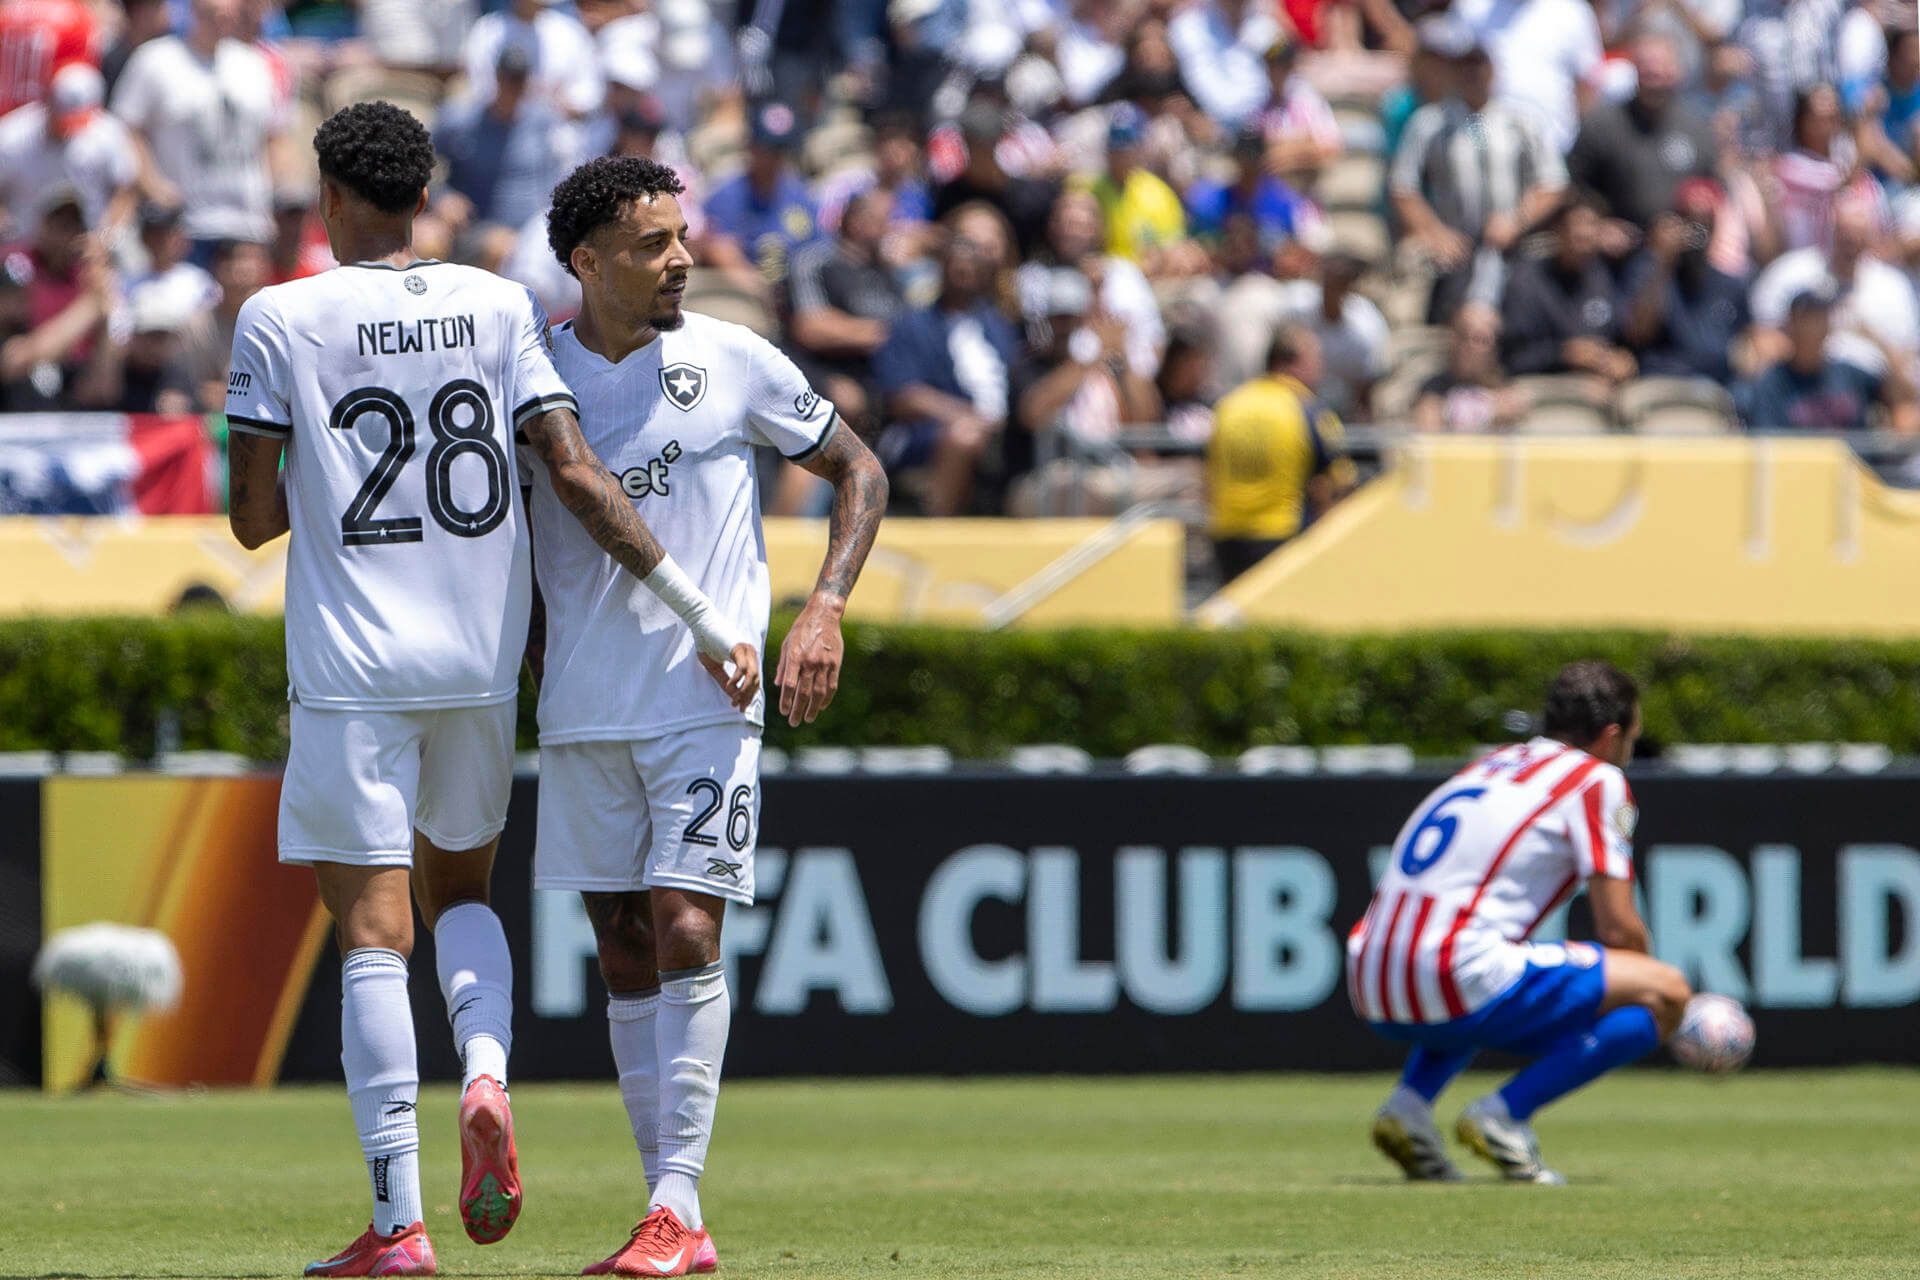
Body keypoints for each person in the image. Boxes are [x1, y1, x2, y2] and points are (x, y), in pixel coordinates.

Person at [223, 101, 749, 1278]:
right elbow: (566, 464)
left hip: (355, 666)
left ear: (330, 197)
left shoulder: (280, 315)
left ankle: (399, 1222)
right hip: (481, 657)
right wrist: (702, 615)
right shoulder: (497, 302)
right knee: (460, 887)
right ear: (424, 194)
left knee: (370, 927)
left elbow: (252, 519)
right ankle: (489, 1073)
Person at [535, 154, 887, 1278]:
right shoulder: (531, 375)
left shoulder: (732, 358)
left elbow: (860, 470)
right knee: (623, 946)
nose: (682, 256)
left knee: (687, 924)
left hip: (707, 695)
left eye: (680, 236)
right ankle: (669, 1211)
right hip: (584, 705)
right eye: (652, 244)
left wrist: (823, 606)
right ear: (588, 261)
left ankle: (676, 1205)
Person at [1354, 661, 1693, 1185]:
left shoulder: (1492, 764)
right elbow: (1618, 931)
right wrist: (1657, 1002)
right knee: (1666, 991)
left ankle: (1410, 1107)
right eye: (1633, 739)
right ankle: (1504, 1115)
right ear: (1610, 737)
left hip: (1369, 974)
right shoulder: (1596, 779)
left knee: (1489, 958)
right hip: (1451, 970)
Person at [1391, 28, 1567, 323]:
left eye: (1478, 65)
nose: (1472, 74)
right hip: (1454, 242)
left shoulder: (1520, 122)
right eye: (1464, 66)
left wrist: (1517, 219)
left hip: (1513, 241)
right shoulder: (1431, 123)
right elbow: (1402, 186)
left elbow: (1552, 182)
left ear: (1492, 70)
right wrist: (1435, 233)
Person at [110, 0, 285, 256]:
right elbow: (126, 129)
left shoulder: (254, 64)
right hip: (186, 227)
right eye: (212, 13)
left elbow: (273, 137)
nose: (220, 20)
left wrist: (274, 192)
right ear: (193, 10)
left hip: (248, 224)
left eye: (227, 14)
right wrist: (153, 185)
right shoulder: (156, 60)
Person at [872, 235, 1023, 515]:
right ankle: (938, 532)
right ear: (941, 270)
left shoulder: (999, 327)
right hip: (923, 433)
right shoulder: (912, 324)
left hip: (999, 432)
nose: (964, 274)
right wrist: (967, 416)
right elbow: (903, 398)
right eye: (957, 268)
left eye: (972, 268)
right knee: (963, 436)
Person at [1207, 325, 1356, 583]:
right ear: (1292, 363)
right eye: (1316, 359)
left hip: (1226, 535)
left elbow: (1208, 474)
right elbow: (1341, 480)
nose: (1321, 368)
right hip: (1281, 534)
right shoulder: (1309, 409)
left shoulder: (1229, 405)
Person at [434, 42, 582, 260]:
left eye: (520, 79)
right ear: (497, 76)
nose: (514, 86)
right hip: (478, 229)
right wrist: (441, 197)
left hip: (535, 234)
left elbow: (562, 172)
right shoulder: (461, 119)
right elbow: (420, 160)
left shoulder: (545, 120)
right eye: (509, 78)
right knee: (497, 246)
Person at [1566, 33, 1719, 236]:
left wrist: (1700, 210)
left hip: (1682, 250)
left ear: (1678, 71)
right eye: (1647, 67)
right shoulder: (1603, 125)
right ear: (1635, 70)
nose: (1654, 73)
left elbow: (1713, 190)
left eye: (1662, 66)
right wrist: (1600, 228)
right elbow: (1576, 189)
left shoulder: (1698, 130)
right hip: (1616, 254)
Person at [1620, 179, 1751, 384]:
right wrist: (1663, 262)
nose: (1697, 234)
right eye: (1690, 222)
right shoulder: (1649, 273)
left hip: (1717, 388)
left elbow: (1749, 342)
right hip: (1662, 384)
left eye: (1705, 223)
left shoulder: (1732, 284)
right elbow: (1638, 332)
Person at [1735, 288, 1918, 431]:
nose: (1817, 326)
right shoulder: (1771, 383)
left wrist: (1878, 341)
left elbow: (1902, 396)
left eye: (1822, 317)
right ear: (1791, 325)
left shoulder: (1848, 374)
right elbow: (1768, 444)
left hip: (1853, 475)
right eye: (1810, 318)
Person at [1500, 199, 1637, 384]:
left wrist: (1623, 360)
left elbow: (1623, 339)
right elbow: (1513, 359)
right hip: (1544, 385)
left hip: (1600, 386)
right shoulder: (1526, 282)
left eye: (1591, 226)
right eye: (1575, 227)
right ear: (1557, 231)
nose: (1583, 234)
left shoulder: (1605, 277)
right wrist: (1562, 354)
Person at [0, 62, 139, 242]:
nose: (68, 129)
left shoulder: (108, 133)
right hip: (25, 251)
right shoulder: (12, 135)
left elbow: (126, 192)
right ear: (48, 103)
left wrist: (107, 240)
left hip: (87, 247)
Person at [701, 100, 819, 292]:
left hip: (797, 292)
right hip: (745, 295)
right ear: (750, 147)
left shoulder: (801, 196)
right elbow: (718, 249)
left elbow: (818, 249)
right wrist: (762, 290)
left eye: (780, 151)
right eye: (768, 150)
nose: (774, 159)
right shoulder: (726, 196)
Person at [1276, 252, 1390, 421]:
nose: (1330, 287)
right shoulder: (1295, 305)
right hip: (1293, 401)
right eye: (1326, 279)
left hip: (1345, 407)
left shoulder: (1367, 328)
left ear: (1350, 287)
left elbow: (1366, 388)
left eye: (1338, 282)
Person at [1413, 302, 1529, 432]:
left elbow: (1513, 409)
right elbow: (1427, 420)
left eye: (1480, 339)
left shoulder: (1504, 385)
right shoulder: (1434, 386)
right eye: (1463, 336)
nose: (1469, 346)